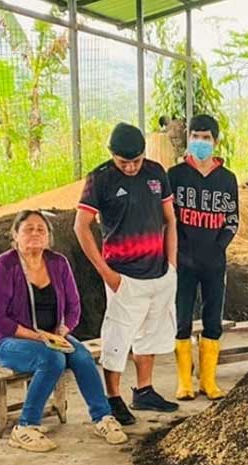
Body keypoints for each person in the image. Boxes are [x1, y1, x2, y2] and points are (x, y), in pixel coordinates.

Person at [0, 211, 128, 452]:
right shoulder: (4, 266)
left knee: (81, 354)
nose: (35, 233)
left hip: (50, 335)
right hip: (5, 340)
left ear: (49, 237)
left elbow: (73, 306)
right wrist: (38, 337)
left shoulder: (58, 262)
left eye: (41, 229)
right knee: (51, 358)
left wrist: (64, 329)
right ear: (15, 235)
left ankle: (103, 417)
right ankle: (25, 426)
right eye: (28, 229)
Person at [74, 122, 179, 422]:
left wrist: (171, 265)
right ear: (112, 156)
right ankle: (113, 397)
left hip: (159, 271)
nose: (131, 167)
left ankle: (144, 391)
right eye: (124, 162)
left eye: (136, 160)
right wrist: (107, 273)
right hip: (122, 275)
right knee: (119, 335)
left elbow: (170, 220)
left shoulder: (157, 173)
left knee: (152, 332)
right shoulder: (100, 178)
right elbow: (81, 226)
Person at [168, 114, 240, 400]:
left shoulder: (227, 179)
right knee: (182, 317)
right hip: (182, 261)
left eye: (206, 138)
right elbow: (167, 218)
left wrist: (218, 246)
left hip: (214, 262)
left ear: (216, 141)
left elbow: (232, 220)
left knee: (212, 319)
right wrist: (178, 250)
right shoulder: (174, 176)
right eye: (195, 137)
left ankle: (208, 380)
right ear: (188, 140)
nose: (200, 143)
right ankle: (184, 382)